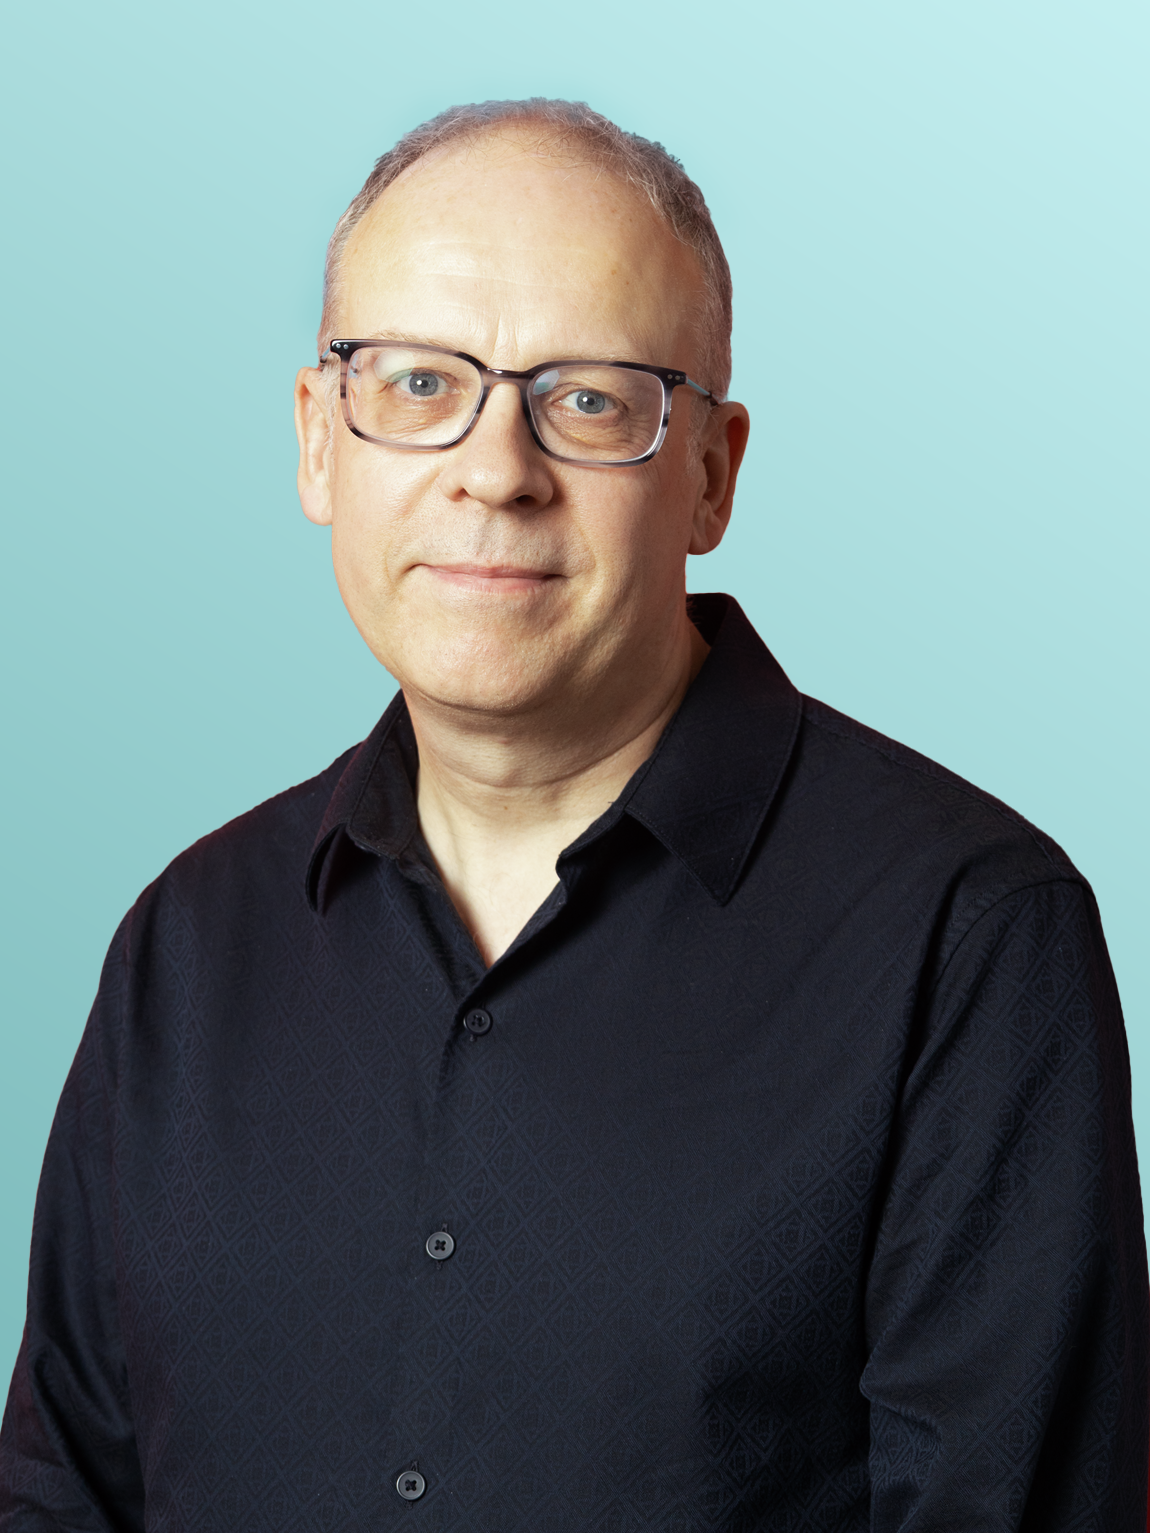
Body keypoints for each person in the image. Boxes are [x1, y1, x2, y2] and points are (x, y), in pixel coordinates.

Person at [1, 98, 1145, 1532]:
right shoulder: (187, 939)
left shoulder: (967, 938)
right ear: (317, 442)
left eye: (590, 401)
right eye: (418, 384)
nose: (495, 471)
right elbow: (61, 1491)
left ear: (711, 473)